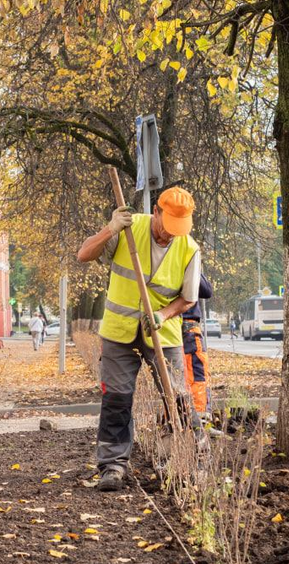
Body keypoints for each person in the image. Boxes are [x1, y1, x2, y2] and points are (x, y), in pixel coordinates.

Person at [76, 185, 205, 493]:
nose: (170, 234)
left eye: (179, 229)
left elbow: (188, 299)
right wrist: (109, 229)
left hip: (163, 334)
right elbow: (83, 254)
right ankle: (113, 466)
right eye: (167, 226)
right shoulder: (129, 228)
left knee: (178, 399)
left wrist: (163, 314)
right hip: (119, 332)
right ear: (156, 212)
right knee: (116, 400)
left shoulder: (189, 248)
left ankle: (195, 461)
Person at [182, 273, 214, 418]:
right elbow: (206, 290)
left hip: (168, 325)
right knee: (196, 373)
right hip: (187, 326)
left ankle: (178, 420)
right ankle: (199, 419)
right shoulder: (184, 258)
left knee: (175, 375)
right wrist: (195, 264)